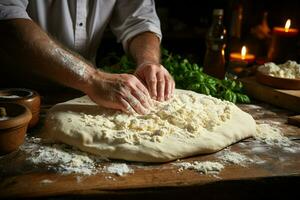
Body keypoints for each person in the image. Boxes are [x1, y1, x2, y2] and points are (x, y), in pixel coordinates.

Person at [0, 0, 175, 115]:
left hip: (84, 97)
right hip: (15, 98)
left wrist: (148, 60)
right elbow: (8, 21)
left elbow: (139, 20)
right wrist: (92, 79)